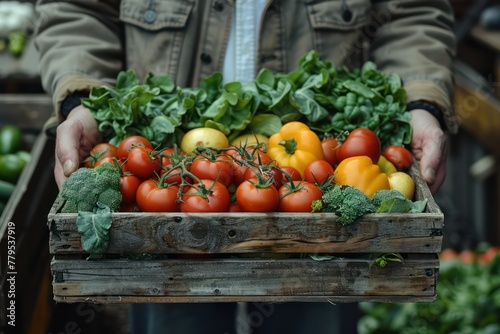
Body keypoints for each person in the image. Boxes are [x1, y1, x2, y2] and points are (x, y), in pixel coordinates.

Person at [33, 0, 457, 333]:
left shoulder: (324, 163)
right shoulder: (166, 173)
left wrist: (422, 100)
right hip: (168, 183)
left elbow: (413, 11)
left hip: (320, 197)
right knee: (173, 320)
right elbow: (77, 8)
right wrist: (81, 97)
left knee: (316, 314)